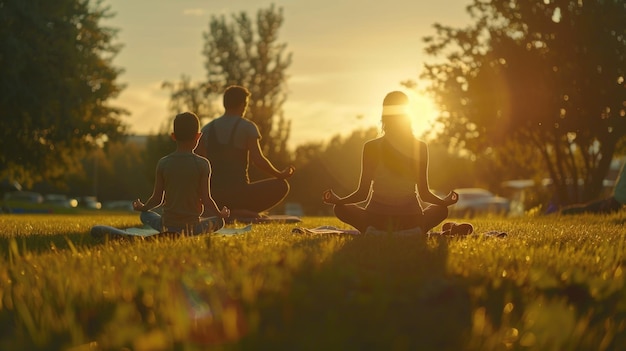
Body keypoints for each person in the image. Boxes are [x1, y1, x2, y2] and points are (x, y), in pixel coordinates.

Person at [322, 91, 470, 235]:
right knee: (441, 210)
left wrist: (339, 200)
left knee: (339, 208)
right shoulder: (419, 147)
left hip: (376, 219)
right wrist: (445, 203)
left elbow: (362, 194)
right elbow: (424, 194)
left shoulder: (371, 147)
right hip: (411, 219)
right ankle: (414, 230)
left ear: (384, 115)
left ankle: (373, 230)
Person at [196, 85, 295, 220]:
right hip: (240, 195)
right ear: (243, 104)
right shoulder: (247, 127)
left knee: (216, 197)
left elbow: (198, 162)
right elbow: (258, 159)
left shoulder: (207, 129)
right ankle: (238, 212)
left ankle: (224, 212)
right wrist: (279, 174)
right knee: (282, 186)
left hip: (214, 197)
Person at [132, 112, 230, 235]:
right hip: (192, 228)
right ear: (198, 136)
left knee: (145, 215)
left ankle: (171, 231)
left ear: (173, 136)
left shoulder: (163, 163)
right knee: (220, 221)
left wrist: (143, 207)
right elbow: (206, 199)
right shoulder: (202, 164)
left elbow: (157, 199)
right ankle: (187, 231)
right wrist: (220, 214)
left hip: (167, 226)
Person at [560, 162, 626, 215]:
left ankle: (565, 211)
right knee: (587, 210)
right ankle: (564, 211)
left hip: (616, 200)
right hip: (617, 203)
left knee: (588, 209)